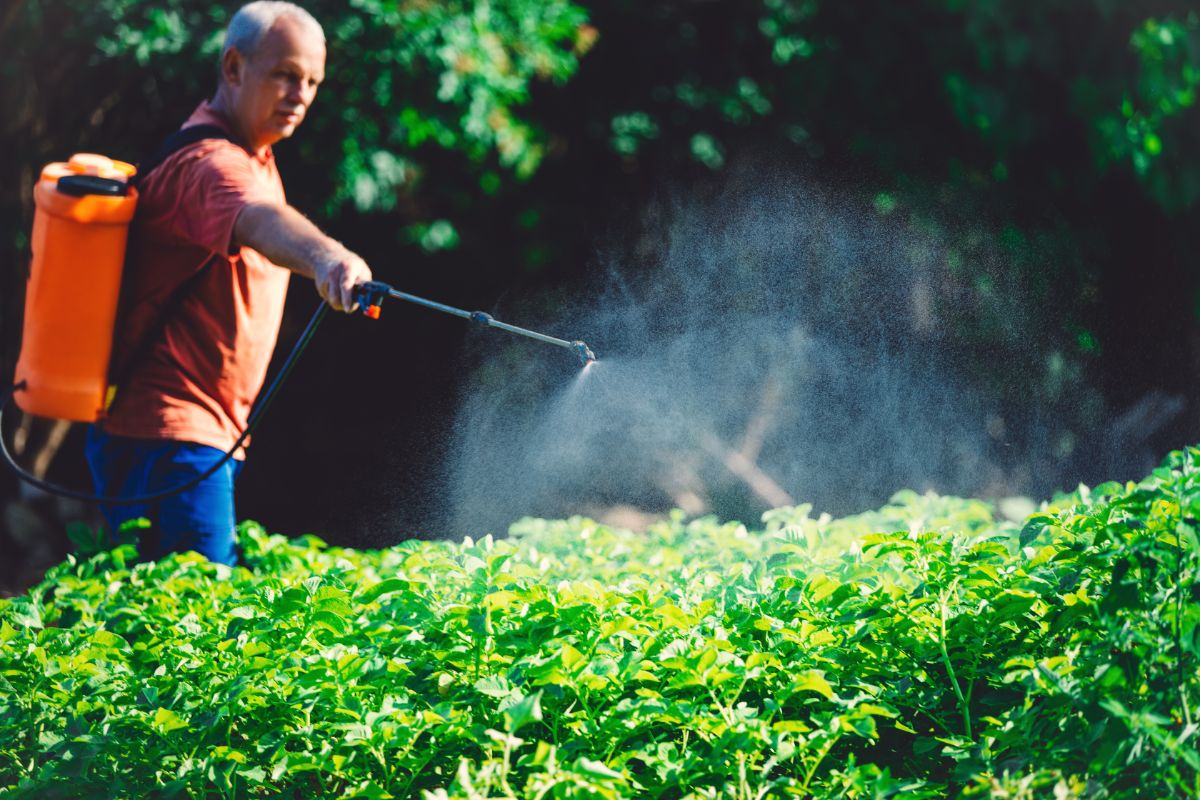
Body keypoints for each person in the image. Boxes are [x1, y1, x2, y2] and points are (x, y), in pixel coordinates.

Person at [85, 1, 372, 565]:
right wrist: (329, 258)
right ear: (234, 68)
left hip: (190, 437)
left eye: (312, 80)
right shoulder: (210, 165)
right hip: (170, 436)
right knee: (190, 628)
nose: (301, 94)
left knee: (168, 620)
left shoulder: (253, 155)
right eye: (285, 74)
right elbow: (260, 220)